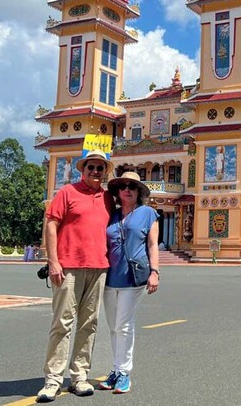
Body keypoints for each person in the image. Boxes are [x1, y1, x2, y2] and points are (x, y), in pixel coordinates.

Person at [36, 150, 114, 403]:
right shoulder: (67, 192)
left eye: (100, 168)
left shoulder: (107, 198)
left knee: (89, 324)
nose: (95, 172)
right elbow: (51, 223)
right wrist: (53, 261)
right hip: (68, 266)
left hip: (98, 266)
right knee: (62, 323)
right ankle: (53, 379)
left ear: (105, 172)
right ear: (82, 169)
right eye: (91, 167)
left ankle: (80, 376)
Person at [98, 171, 160, 395]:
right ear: (117, 192)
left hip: (133, 277)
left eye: (132, 186)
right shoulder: (110, 215)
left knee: (124, 325)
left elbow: (153, 245)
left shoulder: (148, 213)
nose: (127, 189)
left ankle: (124, 372)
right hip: (109, 276)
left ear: (139, 192)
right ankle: (115, 370)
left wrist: (155, 272)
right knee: (113, 327)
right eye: (123, 186)